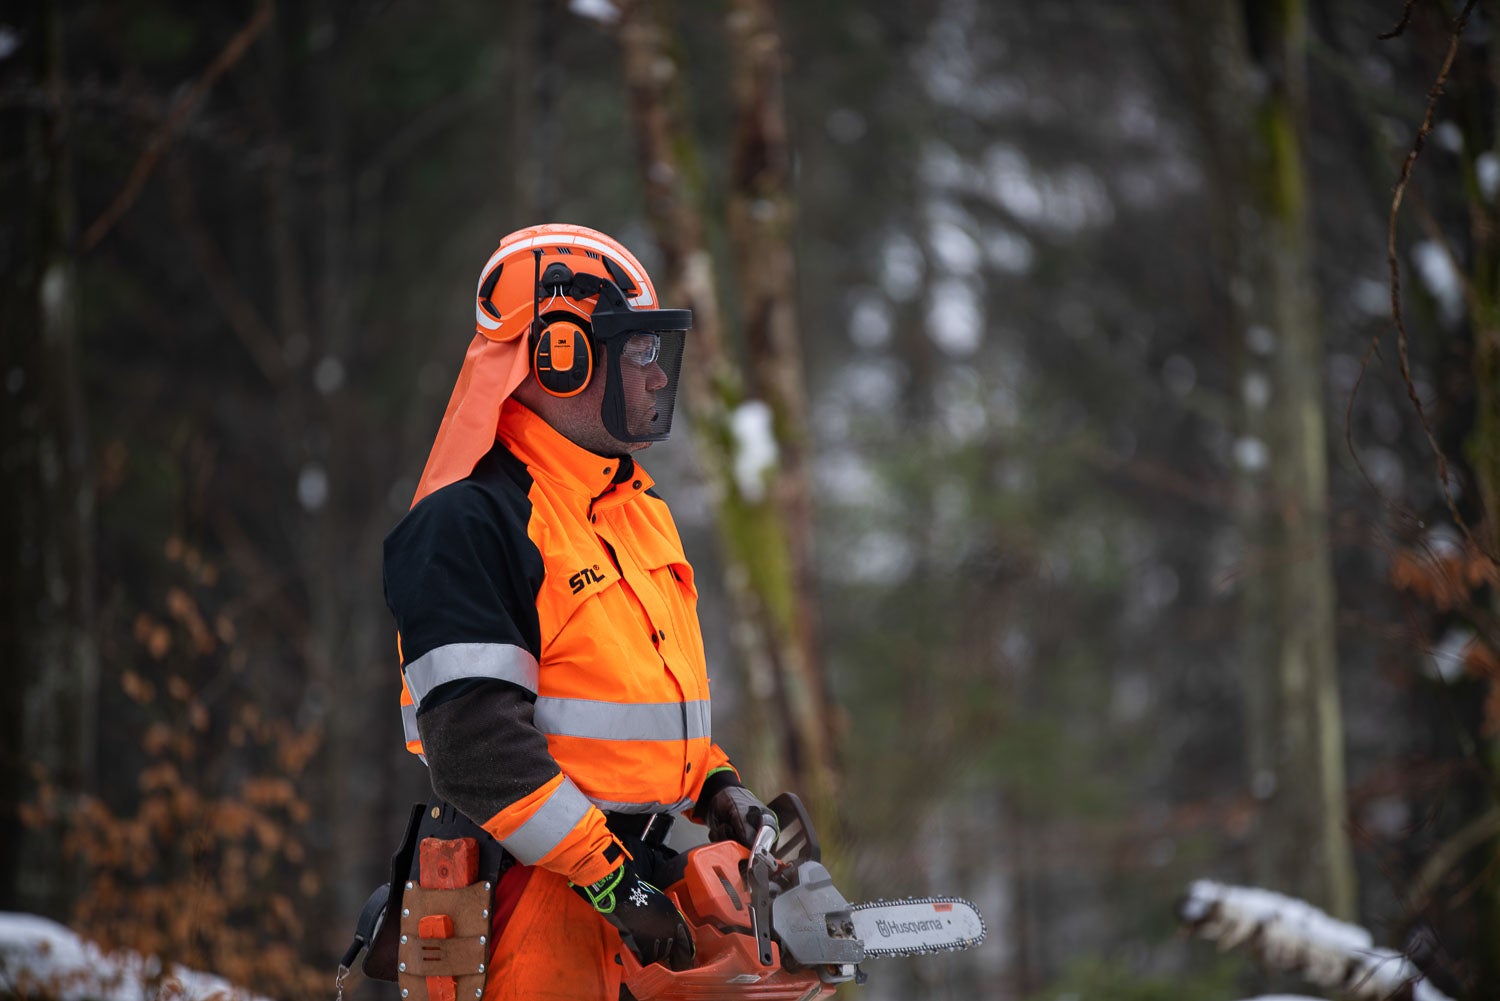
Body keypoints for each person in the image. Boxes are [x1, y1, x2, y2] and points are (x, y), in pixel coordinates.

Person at [382, 223, 776, 1000]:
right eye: (638, 352)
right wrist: (610, 879)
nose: (657, 378)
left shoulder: (636, 510)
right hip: (530, 900)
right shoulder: (471, 522)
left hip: (632, 882)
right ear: (560, 355)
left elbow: (631, 708)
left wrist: (717, 786)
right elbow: (475, 748)